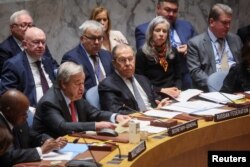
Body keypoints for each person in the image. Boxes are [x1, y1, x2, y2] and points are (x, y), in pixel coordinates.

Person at [33, 61, 130, 138]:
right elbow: (62, 126)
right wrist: (96, 125)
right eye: (77, 83)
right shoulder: (49, 102)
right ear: (63, 84)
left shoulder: (75, 95)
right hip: (52, 149)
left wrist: (115, 117)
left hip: (75, 141)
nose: (82, 88)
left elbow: (93, 113)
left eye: (83, 83)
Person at [135, 0, 196, 89]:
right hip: (157, 79)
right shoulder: (143, 29)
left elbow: (198, 46)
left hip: (185, 74)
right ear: (158, 9)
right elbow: (145, 54)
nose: (171, 14)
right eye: (167, 10)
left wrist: (189, 47)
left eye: (175, 11)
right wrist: (173, 51)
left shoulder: (186, 26)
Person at [0, 89, 67, 167]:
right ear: (9, 111)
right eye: (23, 113)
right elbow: (8, 157)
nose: (26, 117)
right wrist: (40, 150)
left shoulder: (18, 118)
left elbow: (32, 136)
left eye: (27, 112)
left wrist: (52, 143)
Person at [99, 44, 171, 114]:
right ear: (114, 63)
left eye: (130, 59)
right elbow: (117, 112)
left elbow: (156, 99)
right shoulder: (108, 85)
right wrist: (151, 113)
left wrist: (161, 103)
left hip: (157, 118)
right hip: (134, 123)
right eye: (122, 60)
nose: (127, 63)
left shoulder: (143, 79)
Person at [187, 3, 242, 92]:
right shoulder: (195, 43)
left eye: (229, 23)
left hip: (237, 89)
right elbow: (195, 71)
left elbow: (242, 65)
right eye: (224, 23)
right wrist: (215, 84)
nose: (228, 26)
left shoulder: (235, 39)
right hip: (211, 90)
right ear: (212, 22)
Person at [0, 27, 58, 107]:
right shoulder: (13, 65)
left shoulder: (47, 60)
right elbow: (7, 96)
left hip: (55, 105)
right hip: (31, 110)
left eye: (43, 42)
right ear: (25, 44)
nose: (41, 46)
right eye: (36, 42)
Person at [135, 16, 182, 98]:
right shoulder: (141, 53)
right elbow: (140, 82)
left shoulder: (173, 51)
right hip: (154, 95)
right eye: (157, 30)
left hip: (174, 94)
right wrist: (161, 90)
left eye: (164, 31)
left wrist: (177, 88)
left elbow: (178, 77)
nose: (161, 34)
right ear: (151, 32)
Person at [61, 20, 114, 91]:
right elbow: (74, 90)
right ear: (82, 39)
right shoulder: (71, 59)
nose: (97, 42)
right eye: (92, 38)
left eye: (99, 38)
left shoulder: (107, 55)